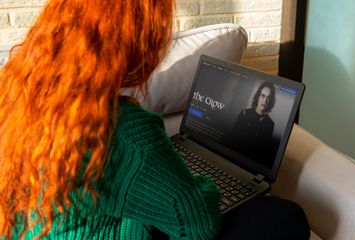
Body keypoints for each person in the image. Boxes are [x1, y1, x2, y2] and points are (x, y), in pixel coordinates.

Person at [0, 0, 309, 239]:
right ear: (136, 45)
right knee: (285, 217)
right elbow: (198, 222)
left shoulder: (15, 90)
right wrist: (204, 183)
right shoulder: (126, 132)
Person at [229, 81, 277, 166]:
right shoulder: (244, 114)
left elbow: (262, 152)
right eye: (263, 96)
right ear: (258, 96)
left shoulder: (270, 124)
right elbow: (231, 141)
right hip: (233, 160)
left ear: (271, 101)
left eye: (268, 97)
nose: (265, 100)